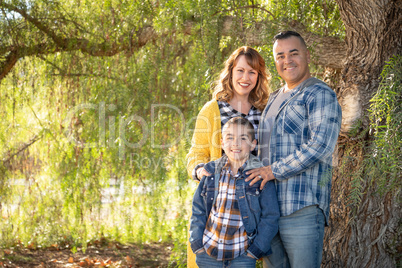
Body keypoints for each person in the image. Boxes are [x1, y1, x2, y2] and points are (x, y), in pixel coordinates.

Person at [246, 31, 342, 267]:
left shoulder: (319, 93)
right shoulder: (275, 98)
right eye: (280, 56)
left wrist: (272, 171)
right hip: (269, 211)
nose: (287, 60)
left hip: (300, 208)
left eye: (293, 53)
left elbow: (321, 146)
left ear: (307, 56)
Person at [186, 46, 270, 267]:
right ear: (231, 72)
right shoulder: (212, 110)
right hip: (217, 210)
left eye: (252, 72)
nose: (245, 77)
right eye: (240, 70)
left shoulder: (264, 111)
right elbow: (196, 152)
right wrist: (198, 169)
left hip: (249, 211)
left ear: (259, 77)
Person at [189, 117, 280, 267]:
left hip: (242, 256)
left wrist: (255, 250)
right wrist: (197, 243)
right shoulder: (211, 172)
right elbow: (198, 209)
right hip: (208, 252)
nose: (236, 143)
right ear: (222, 142)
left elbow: (270, 216)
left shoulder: (259, 176)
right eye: (230, 137)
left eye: (243, 138)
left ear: (253, 144)